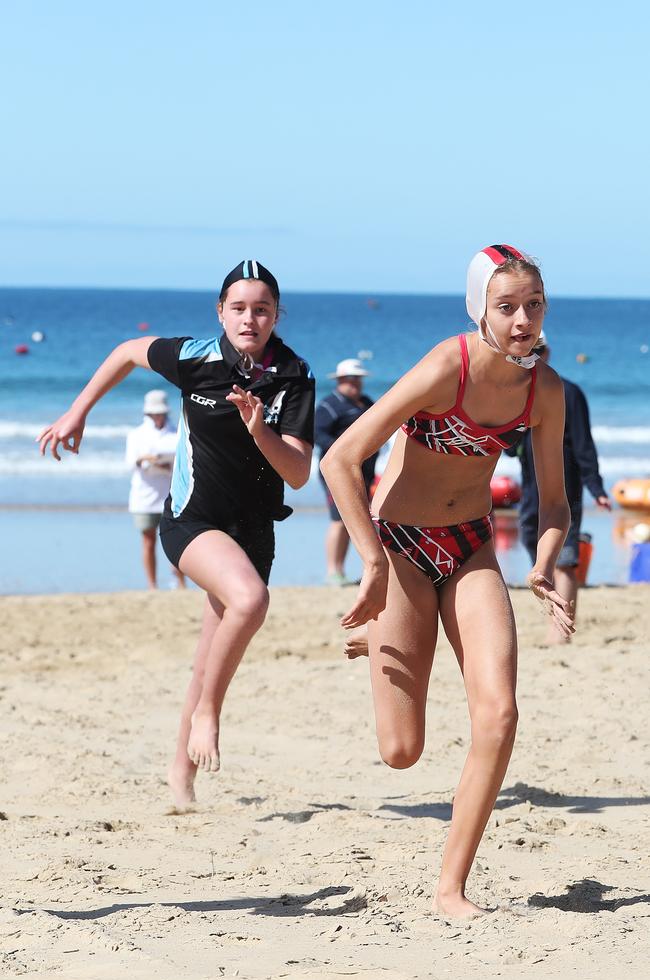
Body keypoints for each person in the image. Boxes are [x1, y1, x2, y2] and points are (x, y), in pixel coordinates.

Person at [321, 244, 574, 918]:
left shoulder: (544, 391)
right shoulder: (446, 367)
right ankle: (384, 638)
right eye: (507, 306)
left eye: (534, 305)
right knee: (401, 752)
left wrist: (545, 563)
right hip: (399, 548)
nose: (523, 319)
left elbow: (553, 502)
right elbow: (341, 460)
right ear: (480, 310)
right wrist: (371, 562)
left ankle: (449, 888)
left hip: (469, 546)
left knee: (499, 714)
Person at [38, 260, 315, 808]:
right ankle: (209, 712)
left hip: (254, 531)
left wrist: (260, 429)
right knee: (250, 600)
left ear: (277, 315)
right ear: (221, 312)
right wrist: (77, 412)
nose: (249, 318)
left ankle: (179, 780)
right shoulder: (195, 357)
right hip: (194, 521)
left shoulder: (295, 375)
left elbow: (299, 473)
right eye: (238, 308)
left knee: (211, 653)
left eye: (261, 309)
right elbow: (124, 352)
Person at [510, 331, 611, 641]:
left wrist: (597, 488)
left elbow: (584, 445)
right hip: (530, 489)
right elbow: (506, 444)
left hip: (566, 488)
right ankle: (555, 617)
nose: (534, 354)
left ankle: (560, 634)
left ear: (548, 351)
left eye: (538, 349)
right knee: (536, 551)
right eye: (528, 349)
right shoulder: (516, 392)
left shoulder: (569, 392)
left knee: (564, 560)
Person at [315, 358, 378, 584]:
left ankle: (364, 571)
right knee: (339, 519)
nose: (355, 384)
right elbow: (318, 435)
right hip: (338, 472)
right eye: (351, 380)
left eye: (358, 380)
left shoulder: (366, 402)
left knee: (361, 520)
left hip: (363, 471)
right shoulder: (330, 405)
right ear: (340, 380)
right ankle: (333, 571)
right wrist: (345, 450)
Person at [126, 389, 186, 590]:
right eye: (154, 413)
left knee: (175, 542)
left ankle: (179, 581)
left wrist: (163, 464)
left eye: (160, 413)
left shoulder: (176, 433)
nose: (158, 416)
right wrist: (146, 460)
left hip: (171, 495)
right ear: (148, 414)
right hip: (144, 495)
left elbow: (183, 461)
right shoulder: (136, 435)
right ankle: (152, 584)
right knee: (148, 540)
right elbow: (130, 462)